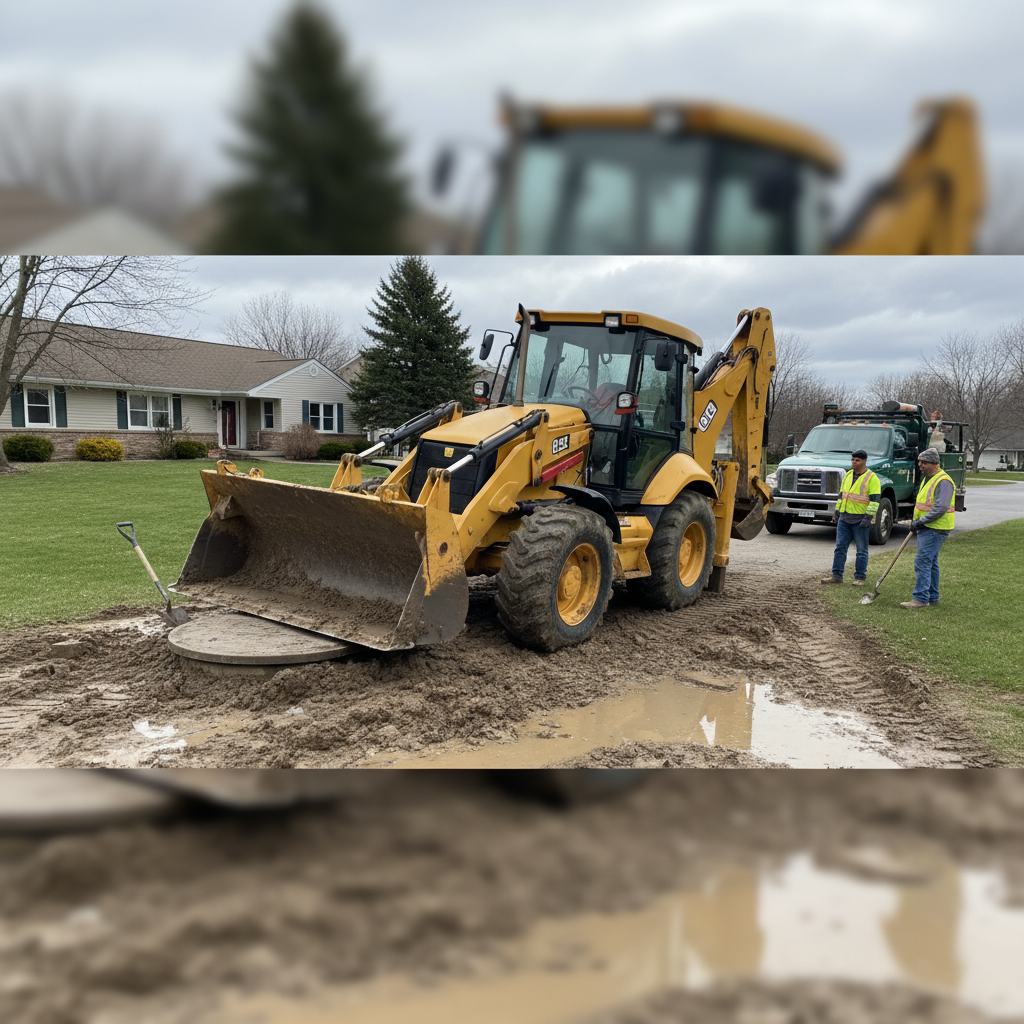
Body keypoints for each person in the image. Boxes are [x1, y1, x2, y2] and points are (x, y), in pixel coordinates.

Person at [901, 447, 955, 609]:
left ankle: (921, 599)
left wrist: (921, 522)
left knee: (922, 561)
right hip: (928, 527)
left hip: (935, 528)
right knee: (931, 562)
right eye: (919, 462)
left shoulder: (943, 481)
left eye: (924, 463)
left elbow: (941, 507)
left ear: (935, 463)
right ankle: (932, 596)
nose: (920, 465)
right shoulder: (929, 478)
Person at [822, 448, 881, 586]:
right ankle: (837, 576)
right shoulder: (848, 475)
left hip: (860, 519)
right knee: (840, 548)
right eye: (853, 460)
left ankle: (860, 578)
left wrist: (868, 518)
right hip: (844, 518)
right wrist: (837, 513)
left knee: (861, 550)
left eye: (857, 460)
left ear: (864, 461)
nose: (854, 462)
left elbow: (875, 501)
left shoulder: (872, 478)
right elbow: (842, 496)